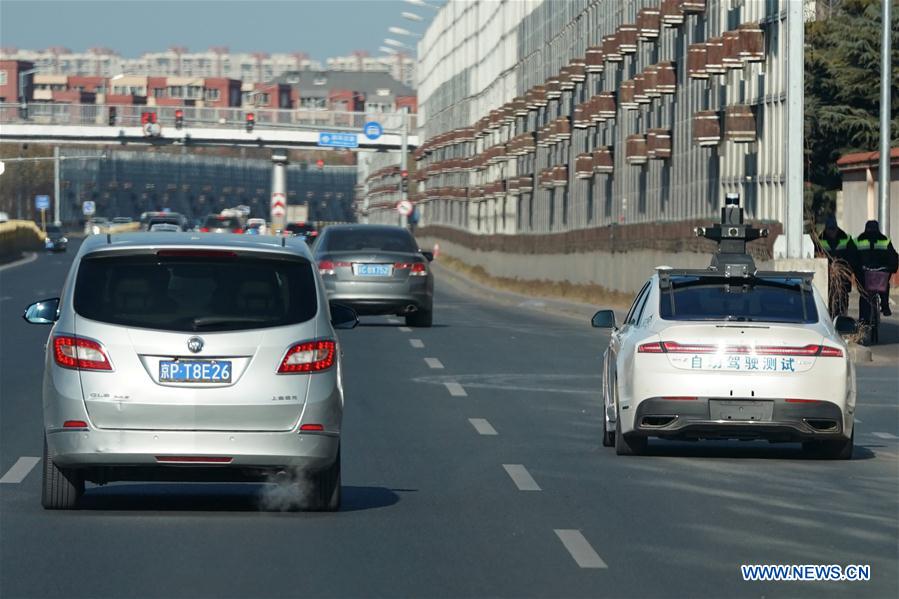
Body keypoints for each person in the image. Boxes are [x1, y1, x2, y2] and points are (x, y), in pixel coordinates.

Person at [856, 220, 898, 320]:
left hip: (873, 272)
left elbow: (893, 257)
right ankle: (867, 316)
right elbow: (853, 257)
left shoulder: (859, 240)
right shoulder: (883, 240)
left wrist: (892, 267)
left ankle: (883, 307)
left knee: (876, 289)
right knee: (875, 290)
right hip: (868, 273)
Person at [818, 216, 858, 316]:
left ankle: (842, 314)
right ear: (826, 229)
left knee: (843, 295)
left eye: (833, 229)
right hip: (827, 274)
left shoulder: (846, 238)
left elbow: (853, 256)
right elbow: (816, 255)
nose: (831, 232)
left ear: (837, 228)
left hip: (843, 274)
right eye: (829, 229)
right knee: (828, 295)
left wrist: (849, 270)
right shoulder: (820, 239)